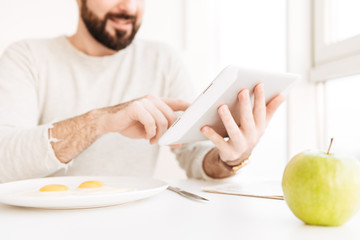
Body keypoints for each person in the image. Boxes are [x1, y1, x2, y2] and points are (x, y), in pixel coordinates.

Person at [0, 0, 284, 183]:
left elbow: (195, 155)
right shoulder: (26, 57)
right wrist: (99, 121)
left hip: (133, 224)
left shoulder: (162, 60)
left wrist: (230, 158)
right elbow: (4, 158)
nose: (129, 7)